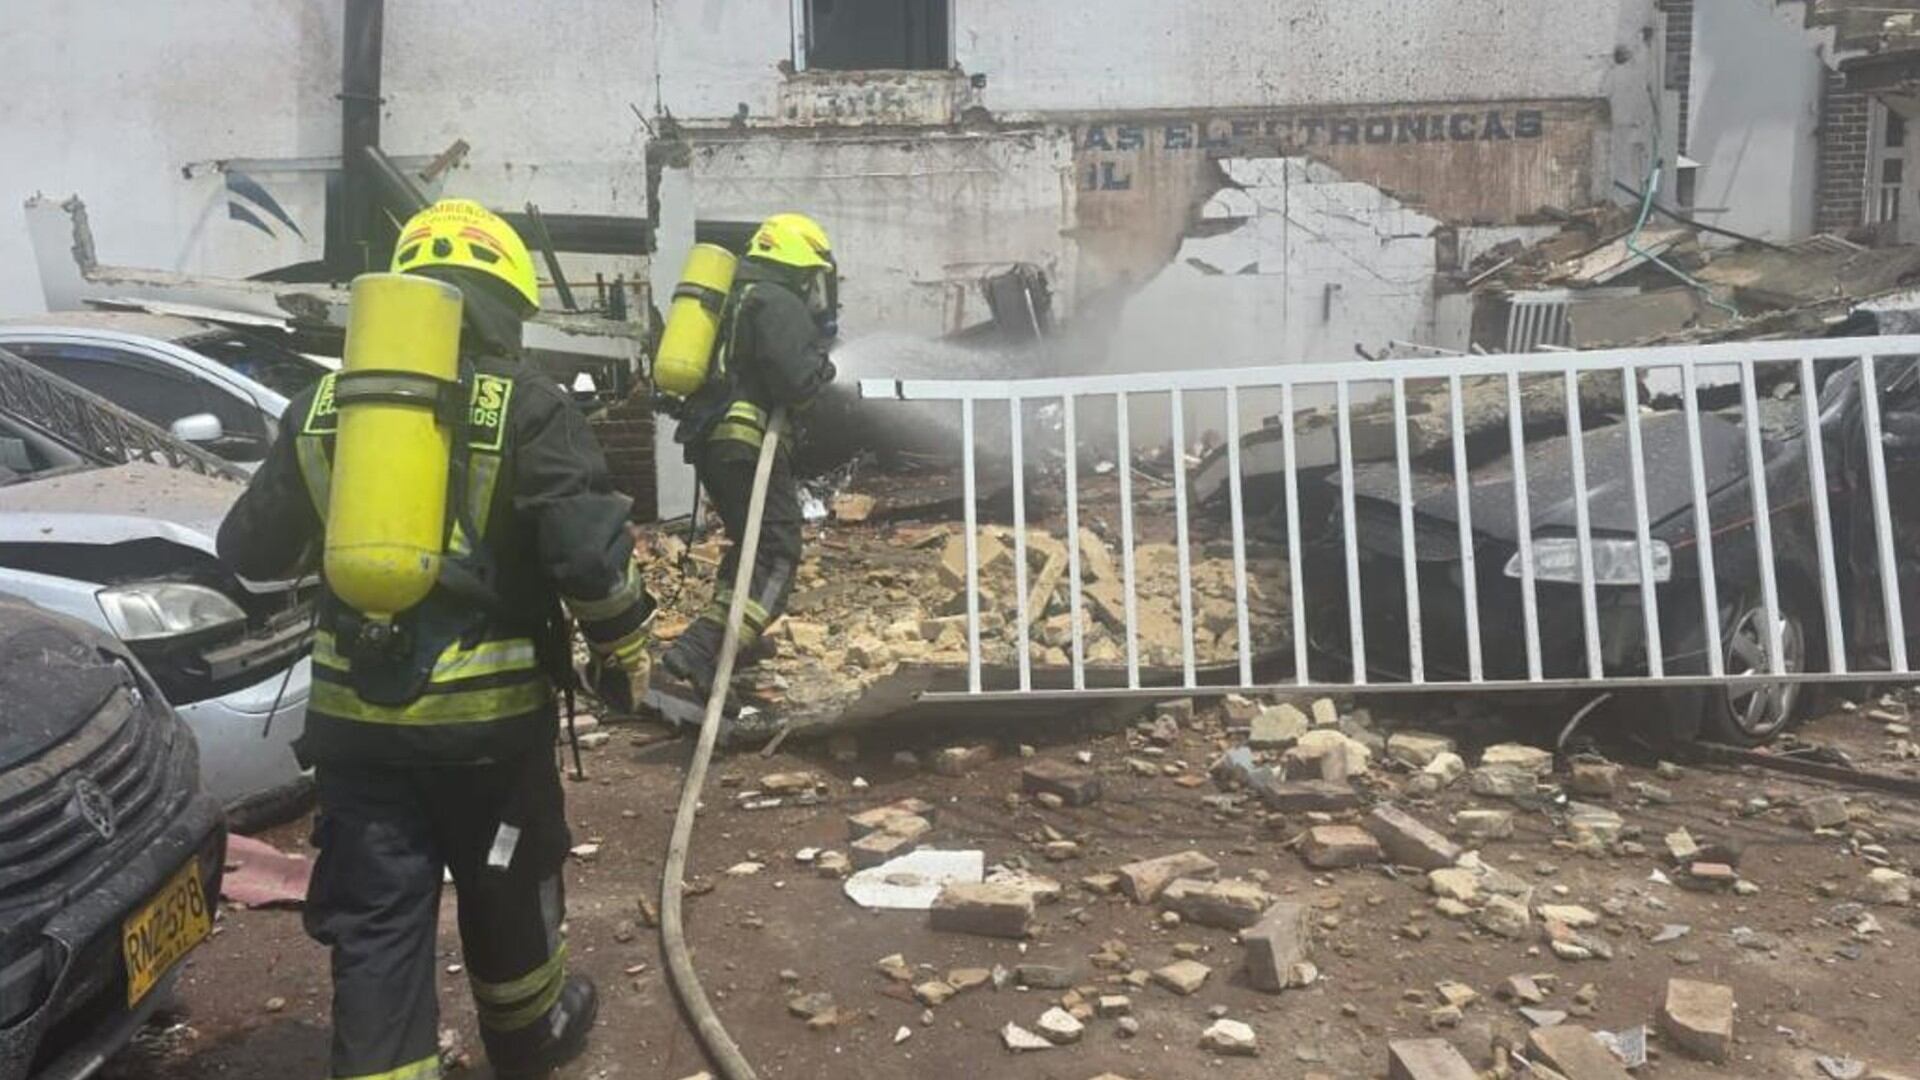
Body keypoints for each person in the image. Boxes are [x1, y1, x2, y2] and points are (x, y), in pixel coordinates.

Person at [217, 199, 653, 1080]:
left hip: (358, 736)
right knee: (506, 880)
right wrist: (625, 652)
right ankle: (529, 1038)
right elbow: (588, 563)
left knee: (377, 920)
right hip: (489, 737)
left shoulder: (325, 406)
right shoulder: (527, 405)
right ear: (502, 302)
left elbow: (247, 553)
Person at [659, 212, 839, 695]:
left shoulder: (734, 294)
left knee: (751, 547)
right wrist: (824, 369)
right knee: (778, 550)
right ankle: (703, 648)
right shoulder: (777, 299)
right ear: (802, 264)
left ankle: (732, 639)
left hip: (711, 440)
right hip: (745, 441)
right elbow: (795, 383)